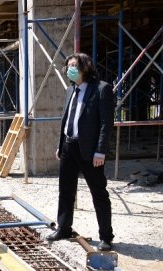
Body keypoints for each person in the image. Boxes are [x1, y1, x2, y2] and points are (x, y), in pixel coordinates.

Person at [47, 52, 114, 251]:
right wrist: (61, 144)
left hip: (90, 150)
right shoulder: (70, 90)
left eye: (74, 65)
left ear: (85, 67)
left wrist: (100, 151)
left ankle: (106, 237)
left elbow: (105, 123)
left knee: (98, 193)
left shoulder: (102, 89)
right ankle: (64, 228)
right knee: (65, 190)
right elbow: (67, 119)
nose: (70, 69)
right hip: (69, 146)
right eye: (68, 66)